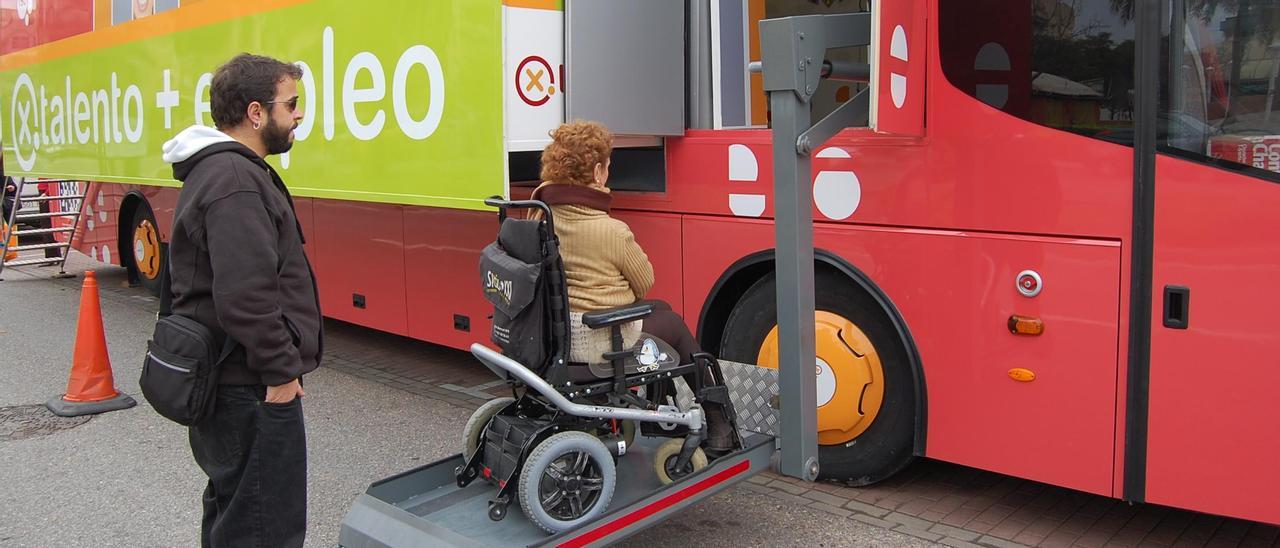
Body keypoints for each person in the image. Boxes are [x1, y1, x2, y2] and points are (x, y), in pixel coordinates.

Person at [161, 53, 321, 548]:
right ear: (256, 113)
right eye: (291, 104)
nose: (297, 115)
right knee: (262, 525)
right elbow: (246, 299)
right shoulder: (234, 181)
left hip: (233, 382)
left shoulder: (222, 172)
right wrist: (279, 372)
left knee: (236, 515)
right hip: (246, 388)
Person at [531, 120, 733, 452]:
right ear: (597, 172)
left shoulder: (540, 218)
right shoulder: (611, 230)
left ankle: (668, 397)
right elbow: (644, 281)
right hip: (594, 341)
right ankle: (717, 420)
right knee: (674, 324)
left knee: (661, 309)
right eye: (608, 166)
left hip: (557, 333)